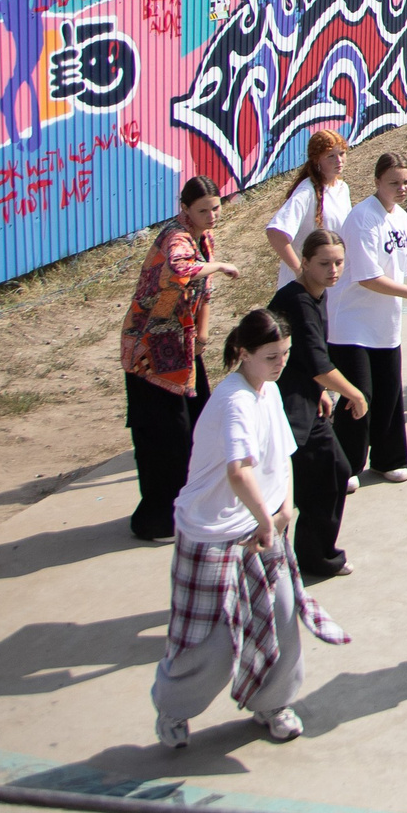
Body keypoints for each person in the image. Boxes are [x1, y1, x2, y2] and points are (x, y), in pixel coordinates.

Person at [149, 308, 345, 751]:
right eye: (272, 355)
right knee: (210, 643)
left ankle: (272, 703)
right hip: (214, 534)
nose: (281, 363)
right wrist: (265, 519)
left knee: (281, 615)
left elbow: (283, 457)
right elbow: (239, 472)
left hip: (263, 526)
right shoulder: (234, 400)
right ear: (243, 353)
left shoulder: (268, 390)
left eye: (286, 354)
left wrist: (283, 511)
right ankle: (174, 710)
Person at [124, 178, 237, 543]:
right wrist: (218, 266)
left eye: (216, 207)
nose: (212, 215)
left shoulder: (202, 237)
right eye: (203, 210)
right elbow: (178, 269)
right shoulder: (176, 238)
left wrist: (202, 333)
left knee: (202, 423)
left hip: (181, 348)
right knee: (166, 437)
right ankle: (158, 519)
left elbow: (202, 293)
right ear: (185, 208)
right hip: (150, 353)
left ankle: (194, 503)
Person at [266, 230, 363, 582]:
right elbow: (320, 363)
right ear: (304, 263)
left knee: (335, 472)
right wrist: (354, 394)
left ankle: (315, 554)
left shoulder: (314, 294)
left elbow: (305, 361)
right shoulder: (299, 301)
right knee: (313, 484)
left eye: (338, 262)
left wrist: (320, 391)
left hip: (307, 401)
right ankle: (310, 558)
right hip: (288, 411)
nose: (333, 270)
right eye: (324, 263)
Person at [332, 153, 407, 488]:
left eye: (406, 181)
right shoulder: (362, 218)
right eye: (394, 183)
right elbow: (366, 276)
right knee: (358, 396)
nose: (402, 188)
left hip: (385, 323)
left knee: (389, 393)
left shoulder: (401, 217)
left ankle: (389, 458)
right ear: (377, 182)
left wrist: (403, 295)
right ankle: (345, 465)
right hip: (352, 325)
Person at [263, 130, 350, 279]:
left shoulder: (342, 188)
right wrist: (300, 272)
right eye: (331, 156)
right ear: (317, 160)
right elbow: (275, 233)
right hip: (304, 287)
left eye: (341, 154)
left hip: (331, 282)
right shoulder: (307, 191)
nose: (339, 160)